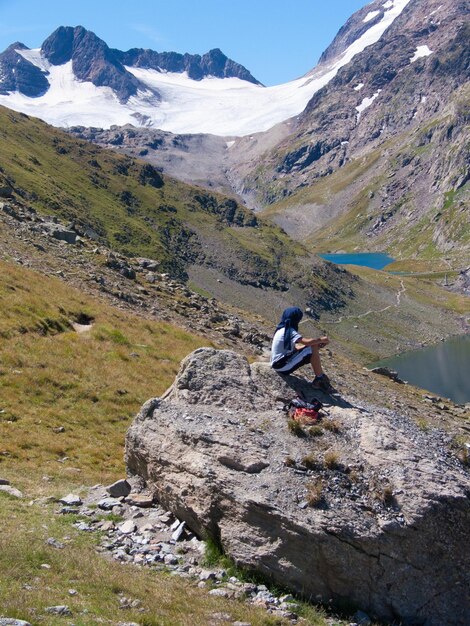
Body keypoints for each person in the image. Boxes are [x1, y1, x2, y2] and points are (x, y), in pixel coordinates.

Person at [270, 306, 333, 392]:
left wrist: (315, 345)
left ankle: (319, 377)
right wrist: (320, 340)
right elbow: (307, 342)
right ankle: (319, 379)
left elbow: (295, 347)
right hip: (282, 366)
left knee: (312, 347)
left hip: (278, 363)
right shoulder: (290, 331)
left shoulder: (282, 329)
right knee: (312, 347)